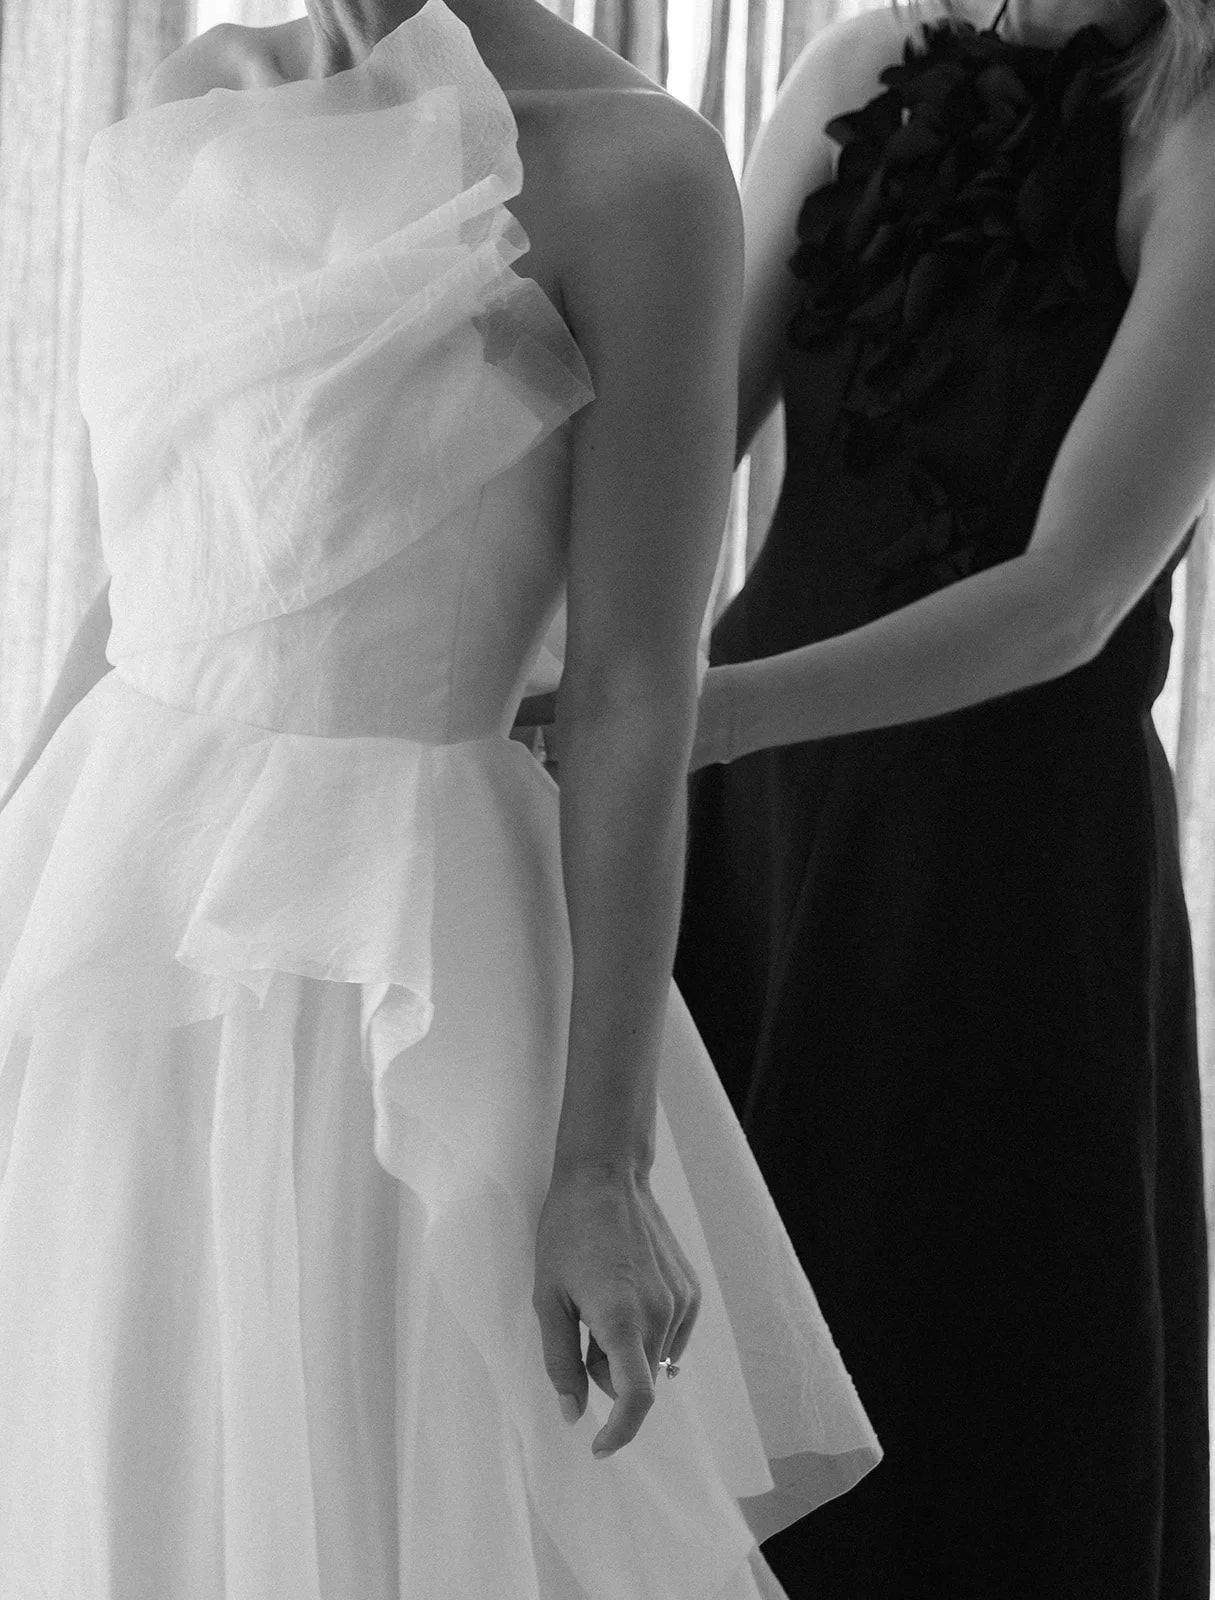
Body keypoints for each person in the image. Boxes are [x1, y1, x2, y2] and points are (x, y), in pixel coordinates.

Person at [0, 1, 881, 1594]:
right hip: (129, 936)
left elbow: (628, 694)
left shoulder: (635, 173)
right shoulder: (205, 88)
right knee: (129, 1483)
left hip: (394, 975)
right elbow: (150, 574)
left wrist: (598, 1164)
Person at [672, 0, 1211, 1594]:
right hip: (758, 832)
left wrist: (705, 717)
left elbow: (1070, 596)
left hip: (1000, 870)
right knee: (720, 1390)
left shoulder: (1193, 131)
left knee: (961, 1387)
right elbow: (675, 440)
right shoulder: (844, 74)